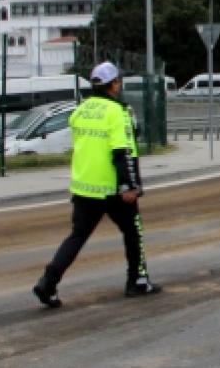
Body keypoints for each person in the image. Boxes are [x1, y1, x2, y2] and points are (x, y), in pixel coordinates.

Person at [32, 61, 161, 308]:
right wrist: (131, 186)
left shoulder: (80, 111)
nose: (119, 85)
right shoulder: (117, 112)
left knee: (76, 237)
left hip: (84, 187)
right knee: (133, 232)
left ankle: (47, 282)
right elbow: (123, 152)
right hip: (112, 187)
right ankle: (137, 280)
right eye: (118, 81)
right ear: (113, 85)